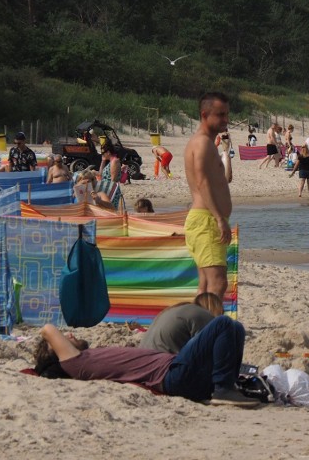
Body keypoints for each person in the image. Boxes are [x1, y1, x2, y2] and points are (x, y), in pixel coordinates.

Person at [34, 316, 257, 407]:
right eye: (64, 339)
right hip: (173, 375)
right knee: (223, 324)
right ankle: (222, 389)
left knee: (235, 328)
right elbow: (47, 329)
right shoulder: (75, 363)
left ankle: (226, 385)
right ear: (57, 350)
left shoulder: (88, 358)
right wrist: (55, 343)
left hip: (180, 371)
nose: (69, 335)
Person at [184, 92, 234, 299]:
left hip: (205, 219)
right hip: (207, 220)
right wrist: (219, 218)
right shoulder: (202, 143)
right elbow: (202, 181)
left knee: (205, 285)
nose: (226, 120)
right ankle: (210, 330)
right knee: (217, 283)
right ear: (205, 115)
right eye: (220, 115)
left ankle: (200, 330)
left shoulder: (205, 143)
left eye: (226, 114)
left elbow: (221, 180)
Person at [139, 292, 222, 354]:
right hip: (162, 366)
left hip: (142, 361)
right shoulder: (203, 315)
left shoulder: (178, 309)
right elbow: (208, 351)